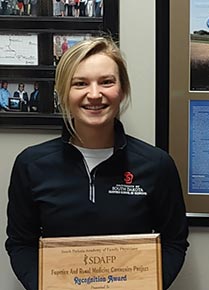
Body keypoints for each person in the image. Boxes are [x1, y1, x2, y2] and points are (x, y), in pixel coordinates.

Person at [5, 37, 189, 290]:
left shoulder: (157, 165)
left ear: (122, 90)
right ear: (63, 92)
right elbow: (21, 244)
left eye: (106, 82)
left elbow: (174, 242)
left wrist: (146, 286)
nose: (94, 94)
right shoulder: (31, 164)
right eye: (80, 83)